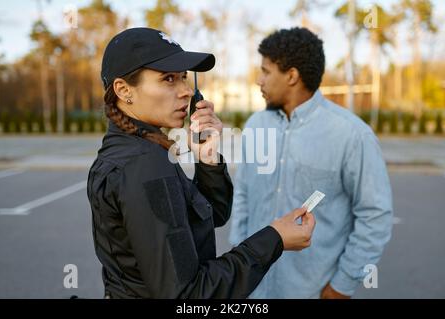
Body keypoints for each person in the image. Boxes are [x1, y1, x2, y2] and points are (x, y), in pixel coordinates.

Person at [87, 27, 316, 299]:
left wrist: (207, 159)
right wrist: (274, 239)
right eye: (168, 79)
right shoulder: (144, 165)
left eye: (184, 78)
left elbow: (212, 214)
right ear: (124, 90)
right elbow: (190, 295)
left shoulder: (136, 148)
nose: (185, 91)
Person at [229, 27, 393, 299]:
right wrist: (238, 260)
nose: (260, 80)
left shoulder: (352, 135)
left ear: (291, 76)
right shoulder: (256, 125)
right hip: (253, 289)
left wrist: (343, 285)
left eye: (266, 71)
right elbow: (244, 193)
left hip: (311, 291)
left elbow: (375, 215)